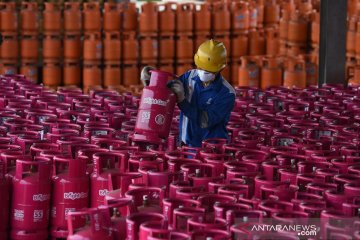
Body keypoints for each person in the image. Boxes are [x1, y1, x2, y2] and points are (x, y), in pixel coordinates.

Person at [140, 39, 235, 147]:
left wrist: (182, 101)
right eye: (200, 67)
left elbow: (205, 121)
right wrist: (152, 82)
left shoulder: (227, 93)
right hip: (187, 145)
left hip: (211, 150)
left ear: (219, 68)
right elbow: (166, 92)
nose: (203, 72)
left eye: (208, 71)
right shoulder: (190, 77)